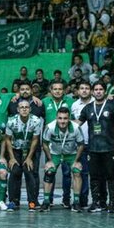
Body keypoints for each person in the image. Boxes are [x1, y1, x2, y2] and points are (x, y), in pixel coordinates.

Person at [77, 81, 114, 213]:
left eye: (100, 89)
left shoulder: (112, 106)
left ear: (105, 91)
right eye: (95, 89)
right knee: (95, 177)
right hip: (93, 149)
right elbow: (77, 123)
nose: (98, 91)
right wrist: (61, 122)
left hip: (109, 147)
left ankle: (113, 202)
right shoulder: (88, 108)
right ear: (92, 92)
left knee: (111, 177)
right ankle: (97, 202)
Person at [41, 107, 85, 212]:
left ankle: (76, 203)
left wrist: (76, 161)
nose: (62, 121)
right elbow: (45, 144)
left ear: (69, 118)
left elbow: (81, 145)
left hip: (71, 154)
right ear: (56, 118)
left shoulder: (75, 127)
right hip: (55, 154)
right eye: (60, 118)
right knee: (49, 172)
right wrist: (49, 160)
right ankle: (46, 202)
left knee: (77, 171)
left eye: (65, 118)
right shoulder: (50, 127)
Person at [5, 100, 42, 212]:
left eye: (27, 107)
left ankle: (32, 202)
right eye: (22, 107)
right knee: (14, 171)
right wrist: (11, 158)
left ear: (30, 109)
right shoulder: (11, 121)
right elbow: (7, 139)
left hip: (30, 150)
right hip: (15, 150)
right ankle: (13, 201)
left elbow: (35, 140)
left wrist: (29, 157)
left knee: (29, 171)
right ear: (18, 109)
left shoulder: (36, 121)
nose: (24, 109)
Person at [41, 80, 74, 208]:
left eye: (60, 89)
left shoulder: (71, 102)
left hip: (68, 142)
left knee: (67, 173)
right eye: (55, 89)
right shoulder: (44, 102)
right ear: (51, 90)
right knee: (50, 172)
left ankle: (66, 199)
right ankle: (48, 200)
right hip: (51, 142)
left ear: (64, 90)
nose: (57, 91)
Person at [70, 81, 93, 207]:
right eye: (82, 88)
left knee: (96, 173)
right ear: (78, 91)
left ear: (91, 90)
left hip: (95, 143)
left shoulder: (96, 102)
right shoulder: (74, 105)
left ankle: (97, 201)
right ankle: (82, 201)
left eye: (87, 88)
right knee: (81, 172)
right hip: (80, 144)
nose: (84, 90)